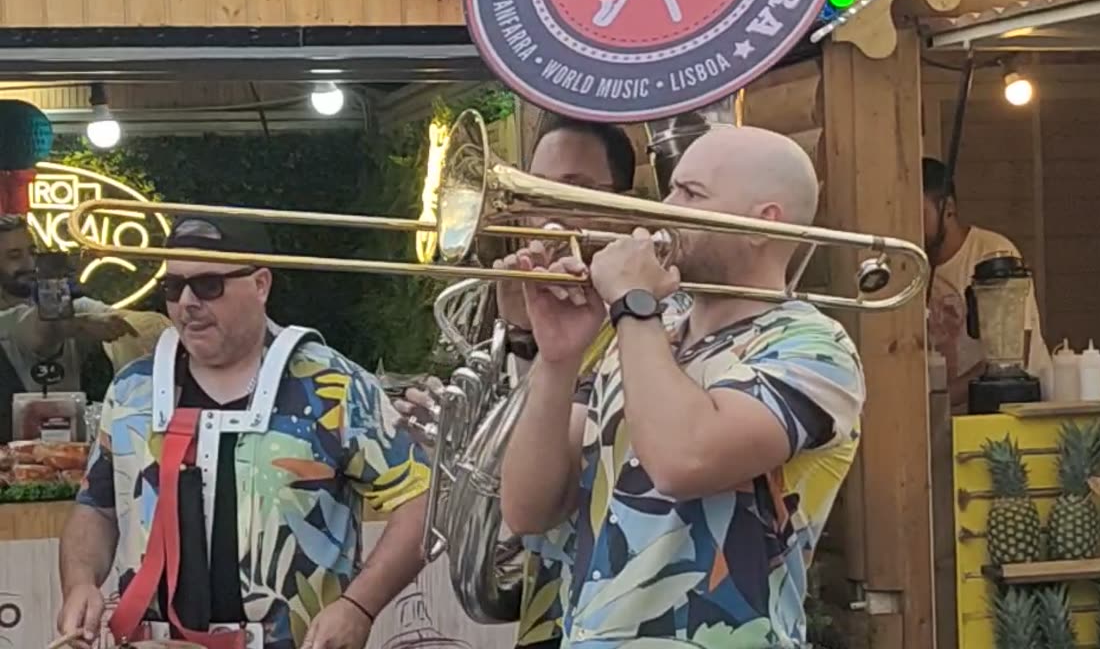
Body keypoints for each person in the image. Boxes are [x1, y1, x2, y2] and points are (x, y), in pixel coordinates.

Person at [496, 126, 864, 648]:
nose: (663, 209)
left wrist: (631, 304)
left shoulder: (814, 347)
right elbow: (529, 509)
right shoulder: (648, 328)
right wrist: (557, 360)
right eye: (670, 190)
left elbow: (682, 461)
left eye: (690, 194)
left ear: (762, 224)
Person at [56, 215, 430, 649]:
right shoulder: (131, 390)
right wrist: (80, 582)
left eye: (208, 285)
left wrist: (359, 606)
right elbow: (96, 508)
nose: (187, 303)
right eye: (173, 288)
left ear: (260, 284)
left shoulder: (332, 387)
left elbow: (420, 502)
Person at [394, 112, 638, 649]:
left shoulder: (651, 318)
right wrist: (455, 437)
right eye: (535, 189)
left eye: (571, 190)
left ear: (623, 207)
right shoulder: (494, 304)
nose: (543, 212)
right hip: (545, 612)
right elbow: (507, 490)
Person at [922, 157, 1050, 413]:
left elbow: (1007, 360)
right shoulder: (910, 266)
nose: (909, 224)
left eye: (919, 214)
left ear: (948, 208)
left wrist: (934, 401)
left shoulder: (993, 254)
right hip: (950, 419)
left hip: (1011, 411)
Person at [0, 214, 138, 442]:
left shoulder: (70, 307)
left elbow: (125, 319)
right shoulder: (13, 321)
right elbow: (38, 330)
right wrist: (81, 324)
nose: (29, 264)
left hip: (71, 460)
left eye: (32, 252)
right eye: (14, 256)